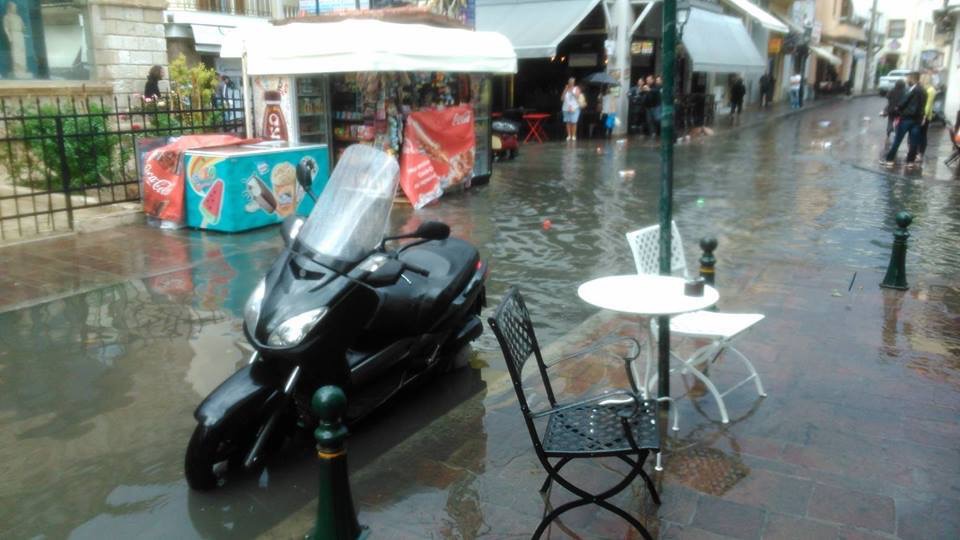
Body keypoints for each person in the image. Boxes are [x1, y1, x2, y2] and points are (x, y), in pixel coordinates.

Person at [881, 71, 925, 169]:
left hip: (907, 118)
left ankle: (889, 159)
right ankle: (910, 161)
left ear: (912, 79)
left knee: (897, 140)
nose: (907, 80)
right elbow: (923, 106)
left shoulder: (911, 90)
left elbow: (903, 102)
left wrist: (896, 109)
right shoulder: (923, 90)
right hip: (917, 120)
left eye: (908, 78)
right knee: (913, 142)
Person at [917, 73, 937, 161]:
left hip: (925, 116)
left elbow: (928, 105)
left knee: (922, 135)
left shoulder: (930, 90)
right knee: (918, 134)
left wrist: (924, 116)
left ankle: (920, 153)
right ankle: (917, 152)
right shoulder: (925, 89)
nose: (919, 81)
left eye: (921, 79)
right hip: (921, 114)